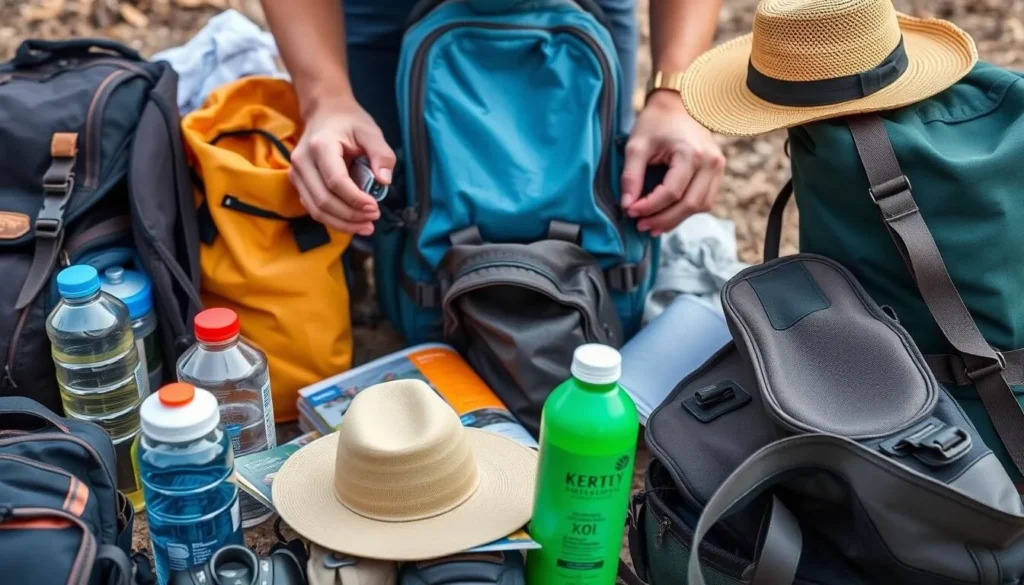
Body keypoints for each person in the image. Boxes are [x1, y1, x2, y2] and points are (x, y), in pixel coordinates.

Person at [261, 0, 726, 239]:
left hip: (579, 6)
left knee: (588, 201)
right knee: (377, 214)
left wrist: (676, 93)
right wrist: (325, 98)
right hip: (385, 9)